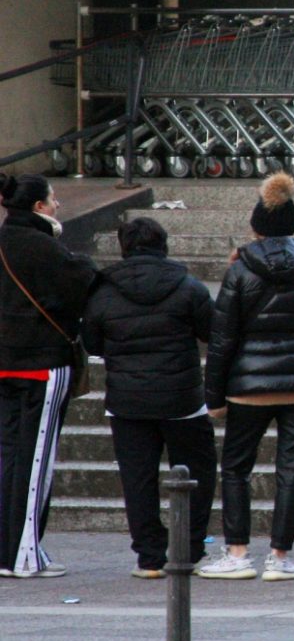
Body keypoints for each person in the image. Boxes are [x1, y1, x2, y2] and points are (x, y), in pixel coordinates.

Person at [198, 172, 294, 581]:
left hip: (248, 386)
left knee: (236, 468)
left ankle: (238, 552)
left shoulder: (239, 272)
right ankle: (279, 557)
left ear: (256, 227)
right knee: (292, 469)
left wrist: (214, 396)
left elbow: (222, 339)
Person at [82, 217, 216, 579]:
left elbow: (91, 342)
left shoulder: (102, 291)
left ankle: (149, 557)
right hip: (182, 400)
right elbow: (211, 331)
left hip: (127, 402)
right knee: (197, 473)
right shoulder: (188, 287)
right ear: (163, 245)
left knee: (137, 478)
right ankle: (189, 547)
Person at [0, 173, 96, 578]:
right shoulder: (43, 247)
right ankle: (23, 554)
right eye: (53, 200)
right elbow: (83, 283)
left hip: (4, 362)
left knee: (8, 453)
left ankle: (7, 550)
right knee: (37, 458)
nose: (57, 205)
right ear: (39, 207)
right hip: (41, 363)